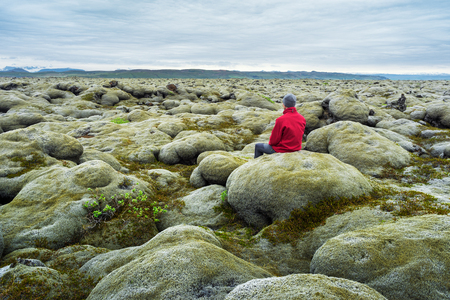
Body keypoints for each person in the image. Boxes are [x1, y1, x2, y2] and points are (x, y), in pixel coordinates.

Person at [254, 93, 306, 158]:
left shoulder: (281, 120)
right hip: (296, 148)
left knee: (258, 146)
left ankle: (257, 165)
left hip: (283, 149)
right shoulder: (302, 118)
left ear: (284, 105)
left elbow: (273, 141)